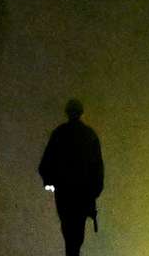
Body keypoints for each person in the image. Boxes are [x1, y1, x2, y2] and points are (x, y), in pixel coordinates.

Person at [39, 98, 105, 256]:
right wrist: (94, 191)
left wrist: (50, 182)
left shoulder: (59, 133)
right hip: (83, 195)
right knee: (76, 234)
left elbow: (45, 164)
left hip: (65, 193)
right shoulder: (90, 136)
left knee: (68, 230)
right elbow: (98, 169)